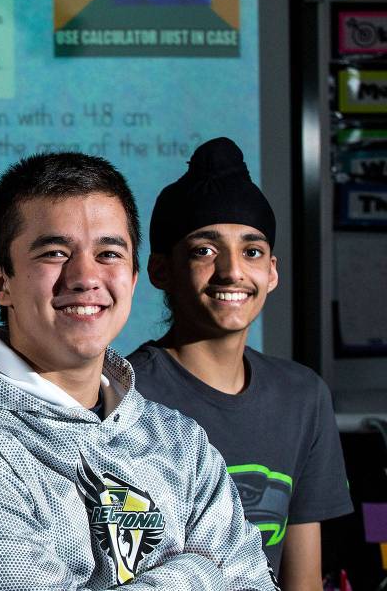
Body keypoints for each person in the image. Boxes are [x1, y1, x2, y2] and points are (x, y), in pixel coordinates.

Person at [0, 152, 279, 590]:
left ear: (134, 278)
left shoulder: (179, 441)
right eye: (56, 253)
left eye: (109, 253)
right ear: (1, 282)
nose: (85, 276)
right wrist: (196, 574)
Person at [127, 137, 352, 588]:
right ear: (159, 270)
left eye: (251, 251)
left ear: (272, 272)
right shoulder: (123, 396)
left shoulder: (302, 396)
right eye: (204, 251)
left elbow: (301, 579)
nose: (232, 271)